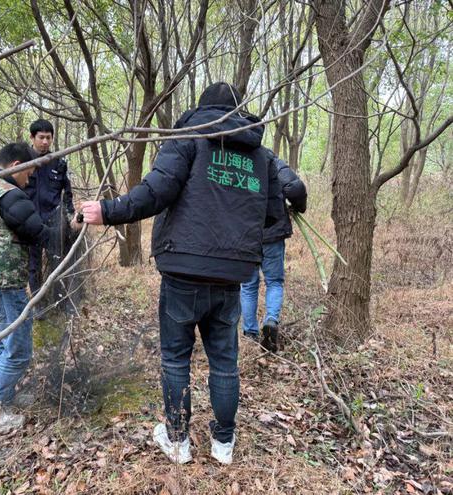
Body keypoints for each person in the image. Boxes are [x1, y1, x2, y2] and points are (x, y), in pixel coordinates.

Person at [80, 82, 283, 464]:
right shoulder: (263, 158)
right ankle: (224, 444)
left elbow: (156, 191)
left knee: (176, 359)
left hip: (183, 272)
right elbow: (273, 215)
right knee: (225, 362)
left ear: (200, 108)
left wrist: (108, 211)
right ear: (237, 111)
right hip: (231, 277)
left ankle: (178, 441)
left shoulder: (187, 139)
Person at [0, 142, 79, 435]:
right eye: (28, 173)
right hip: (0, 285)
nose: (30, 180)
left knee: (2, 344)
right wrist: (72, 228)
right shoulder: (9, 194)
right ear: (15, 166)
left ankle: (5, 399)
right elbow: (41, 235)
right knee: (19, 351)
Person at [240, 158, 307, 352]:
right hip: (273, 233)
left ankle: (250, 332)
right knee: (274, 282)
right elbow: (295, 188)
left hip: (247, 234)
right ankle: (270, 320)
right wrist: (299, 206)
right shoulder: (271, 161)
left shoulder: (239, 162)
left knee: (248, 285)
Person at [24, 119, 76, 301]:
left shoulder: (59, 162)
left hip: (53, 221)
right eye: (41, 137)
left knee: (57, 261)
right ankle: (38, 303)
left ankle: (58, 300)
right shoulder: (23, 161)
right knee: (33, 266)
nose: (45, 142)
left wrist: (71, 217)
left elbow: (67, 193)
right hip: (30, 222)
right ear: (32, 137)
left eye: (48, 138)